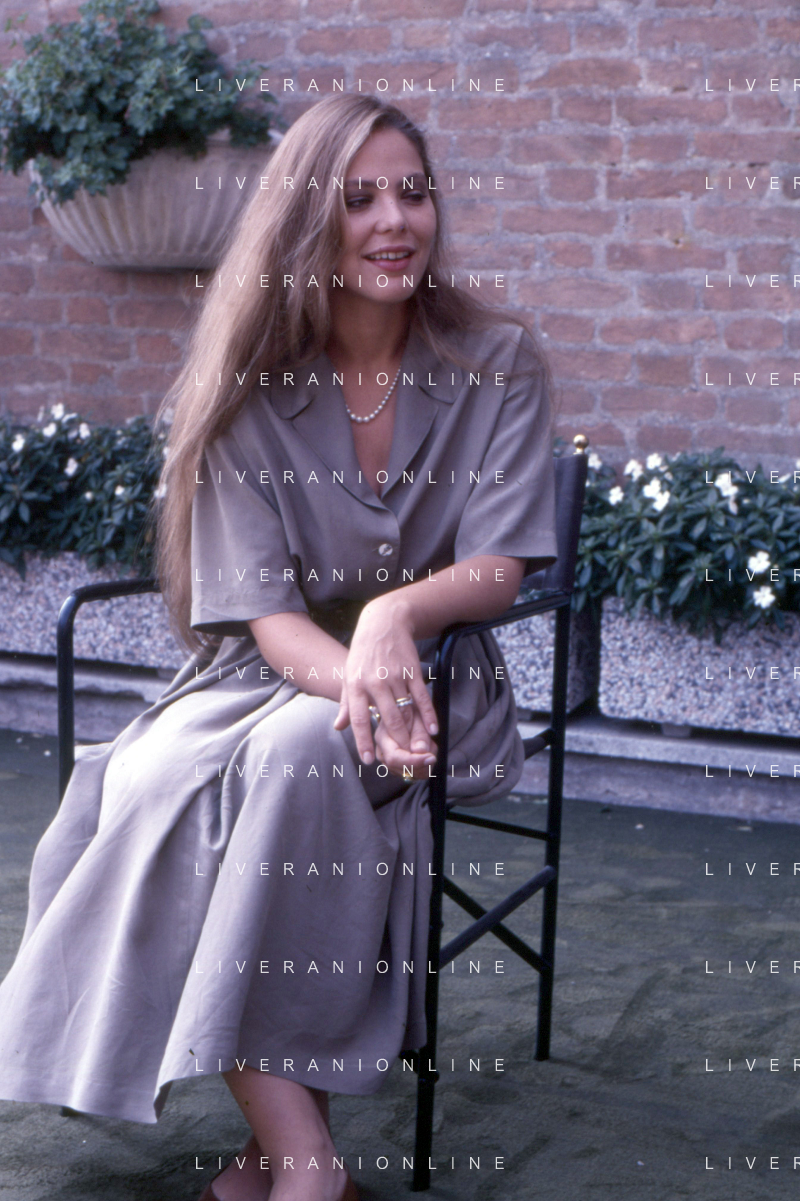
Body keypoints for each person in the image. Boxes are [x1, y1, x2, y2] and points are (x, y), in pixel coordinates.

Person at [0, 94, 557, 1201]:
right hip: (272, 669)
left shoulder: (498, 360)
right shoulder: (251, 385)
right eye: (359, 198)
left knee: (299, 756)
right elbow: (267, 618)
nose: (394, 220)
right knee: (155, 776)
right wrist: (359, 676)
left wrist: (393, 619)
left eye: (412, 192)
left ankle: (282, 1162)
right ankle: (304, 1160)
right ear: (307, 219)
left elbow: (498, 569)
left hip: (437, 682)